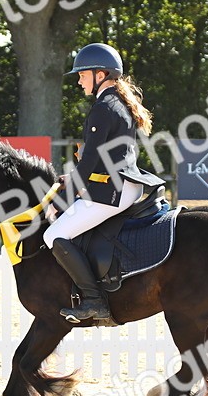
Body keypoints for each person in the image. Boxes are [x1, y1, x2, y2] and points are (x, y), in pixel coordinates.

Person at [44, 42, 163, 323]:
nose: (79, 80)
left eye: (82, 74)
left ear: (100, 74)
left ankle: (94, 300)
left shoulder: (103, 108)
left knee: (53, 235)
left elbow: (88, 165)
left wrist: (59, 203)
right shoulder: (116, 104)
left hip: (112, 192)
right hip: (121, 186)